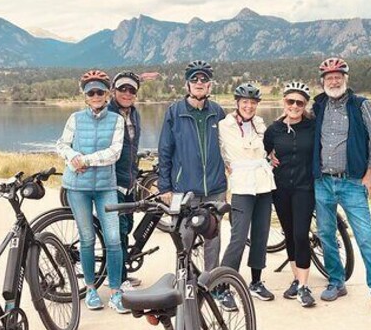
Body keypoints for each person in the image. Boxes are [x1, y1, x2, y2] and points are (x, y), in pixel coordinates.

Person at [312, 57, 371, 316]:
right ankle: (336, 281)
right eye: (328, 78)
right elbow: (298, 119)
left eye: (338, 77)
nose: (333, 81)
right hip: (323, 181)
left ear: (345, 79)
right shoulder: (319, 105)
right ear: (322, 82)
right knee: (326, 234)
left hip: (353, 181)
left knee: (367, 238)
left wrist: (370, 173)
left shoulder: (360, 105)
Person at [56, 70, 129, 314]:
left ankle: (117, 291)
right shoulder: (74, 119)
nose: (96, 96)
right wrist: (73, 156)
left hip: (106, 187)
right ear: (86, 96)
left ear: (107, 94)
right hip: (78, 188)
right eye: (91, 92)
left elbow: (114, 153)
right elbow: (61, 145)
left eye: (100, 91)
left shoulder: (117, 120)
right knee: (87, 238)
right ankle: (91, 289)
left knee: (113, 239)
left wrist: (85, 160)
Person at [157, 60, 227, 273]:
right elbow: (165, 151)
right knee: (184, 239)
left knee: (213, 239)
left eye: (204, 79)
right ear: (187, 85)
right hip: (184, 190)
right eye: (194, 79)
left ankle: (212, 282)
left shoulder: (218, 112)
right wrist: (165, 187)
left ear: (210, 85)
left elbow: (232, 143)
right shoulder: (174, 112)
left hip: (215, 189)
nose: (199, 82)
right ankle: (183, 284)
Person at [218, 82, 277, 304]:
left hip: (263, 184)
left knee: (261, 235)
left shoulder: (261, 124)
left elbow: (269, 147)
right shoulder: (225, 125)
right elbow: (220, 152)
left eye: (253, 103)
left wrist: (273, 156)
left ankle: (256, 282)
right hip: (242, 186)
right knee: (239, 237)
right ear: (237, 103)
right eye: (245, 102)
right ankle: (223, 286)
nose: (249, 106)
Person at [263, 81, 317, 307]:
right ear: (283, 102)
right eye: (290, 101)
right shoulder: (273, 130)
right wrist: (268, 157)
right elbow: (263, 152)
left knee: (301, 234)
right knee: (289, 234)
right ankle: (296, 279)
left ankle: (304, 286)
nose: (294, 106)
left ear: (305, 105)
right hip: (281, 189)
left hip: (305, 188)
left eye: (299, 102)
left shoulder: (313, 127)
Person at [108, 71, 143, 290]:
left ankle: (122, 272)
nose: (127, 93)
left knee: (127, 227)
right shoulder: (108, 113)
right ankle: (119, 281)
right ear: (114, 91)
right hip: (112, 181)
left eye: (131, 90)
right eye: (123, 89)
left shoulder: (134, 114)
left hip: (129, 181)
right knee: (119, 232)